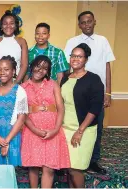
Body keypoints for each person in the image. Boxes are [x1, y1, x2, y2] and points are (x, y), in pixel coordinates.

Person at [64, 11, 115, 174]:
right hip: (76, 89)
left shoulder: (103, 41)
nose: (87, 24)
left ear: (94, 22)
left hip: (96, 90)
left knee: (96, 126)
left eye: (89, 21)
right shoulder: (72, 41)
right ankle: (66, 160)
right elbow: (67, 66)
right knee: (68, 125)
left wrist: (108, 93)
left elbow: (107, 67)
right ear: (79, 25)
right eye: (83, 22)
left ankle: (93, 160)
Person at [20, 55, 70, 188]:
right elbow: (23, 113)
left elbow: (61, 108)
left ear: (47, 72)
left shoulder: (53, 84)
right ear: (32, 66)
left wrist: (55, 130)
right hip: (32, 130)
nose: (40, 70)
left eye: (44, 68)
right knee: (34, 166)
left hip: (52, 130)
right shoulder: (23, 88)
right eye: (38, 66)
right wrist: (35, 130)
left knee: (49, 167)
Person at [60, 43, 104, 187]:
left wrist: (80, 131)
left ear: (85, 59)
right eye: (73, 55)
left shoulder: (94, 79)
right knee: (68, 167)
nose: (75, 59)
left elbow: (95, 108)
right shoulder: (66, 78)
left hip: (83, 130)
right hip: (65, 129)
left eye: (79, 56)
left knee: (75, 168)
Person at [0, 55, 28, 166]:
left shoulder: (20, 91)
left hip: (11, 135)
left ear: (13, 71)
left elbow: (21, 118)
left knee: (8, 170)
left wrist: (6, 141)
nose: (2, 72)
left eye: (6, 69)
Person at [0, 10, 28, 85]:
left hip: (15, 81)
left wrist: (16, 84)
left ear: (16, 26)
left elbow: (24, 65)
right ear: (1, 26)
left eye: (11, 23)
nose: (8, 26)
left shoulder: (22, 42)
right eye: (5, 23)